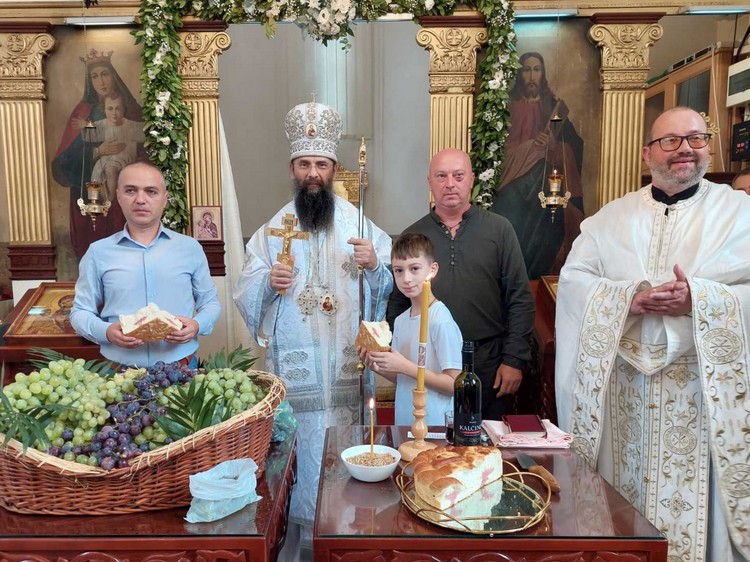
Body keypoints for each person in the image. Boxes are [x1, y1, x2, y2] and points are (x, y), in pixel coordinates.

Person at [555, 106, 750, 562]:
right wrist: (628, 298)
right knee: (623, 504)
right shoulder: (610, 219)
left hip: (701, 394)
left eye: (696, 138)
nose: (685, 149)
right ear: (647, 154)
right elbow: (574, 281)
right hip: (624, 394)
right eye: (671, 140)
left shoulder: (740, 214)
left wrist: (699, 300)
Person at [233, 101, 393, 552]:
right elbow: (245, 292)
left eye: (321, 164)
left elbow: (392, 287)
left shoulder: (359, 225)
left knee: (347, 479)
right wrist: (269, 283)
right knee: (297, 469)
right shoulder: (272, 230)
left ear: (334, 169)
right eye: (304, 164)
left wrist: (375, 266)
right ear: (292, 169)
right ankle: (298, 549)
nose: (313, 174)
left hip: (345, 373)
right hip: (297, 377)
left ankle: (346, 546)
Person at [386, 148, 535, 421]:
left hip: (489, 363)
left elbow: (520, 298)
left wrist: (513, 359)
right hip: (433, 364)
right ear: (429, 182)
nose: (450, 184)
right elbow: (398, 303)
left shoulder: (499, 230)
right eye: (441, 176)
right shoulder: (413, 235)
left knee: (486, 440)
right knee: (432, 438)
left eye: (458, 175)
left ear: (471, 180)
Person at [70, 161, 221, 368]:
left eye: (151, 191)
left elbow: (210, 302)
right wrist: (106, 332)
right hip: (118, 373)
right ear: (118, 197)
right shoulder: (98, 252)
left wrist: (197, 325)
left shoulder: (190, 248)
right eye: (131, 190)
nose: (140, 199)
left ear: (165, 199)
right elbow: (80, 312)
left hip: (181, 368)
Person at [492, 51, 585, 279]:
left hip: (544, 184)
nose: (532, 76)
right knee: (508, 207)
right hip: (512, 182)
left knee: (550, 214)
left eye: (537, 70)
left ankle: (539, 278)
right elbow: (497, 152)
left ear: (543, 74)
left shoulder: (553, 107)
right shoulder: (505, 108)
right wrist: (528, 148)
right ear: (519, 74)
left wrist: (553, 144)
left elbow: (574, 147)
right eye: (526, 70)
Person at [362, 233, 462, 426]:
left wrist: (404, 366)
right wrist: (377, 365)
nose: (406, 278)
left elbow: (454, 385)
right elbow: (404, 378)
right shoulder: (400, 321)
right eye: (398, 271)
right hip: (405, 419)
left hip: (434, 423)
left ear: (432, 269)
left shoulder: (440, 320)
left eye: (414, 269)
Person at [52, 49, 144, 259]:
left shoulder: (131, 109)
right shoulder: (83, 112)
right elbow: (65, 159)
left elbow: (146, 148)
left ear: (113, 76)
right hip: (91, 192)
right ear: (89, 81)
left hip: (126, 187)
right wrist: (97, 151)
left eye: (105, 74)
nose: (100, 81)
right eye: (94, 76)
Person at [90, 92, 147, 202]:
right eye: (110, 109)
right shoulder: (103, 125)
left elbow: (146, 131)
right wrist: (84, 125)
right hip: (106, 158)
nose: (114, 113)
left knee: (110, 169)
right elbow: (89, 133)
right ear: (104, 110)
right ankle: (103, 199)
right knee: (97, 170)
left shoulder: (131, 126)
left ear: (124, 110)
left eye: (118, 109)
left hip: (124, 158)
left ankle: (111, 197)